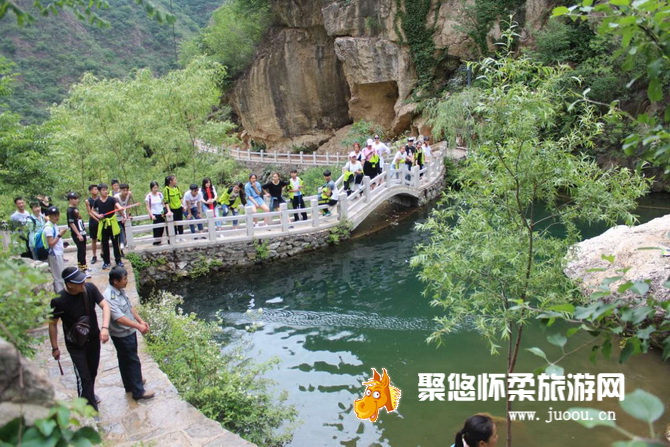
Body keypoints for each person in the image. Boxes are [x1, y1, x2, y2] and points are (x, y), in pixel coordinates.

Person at [49, 267, 111, 411]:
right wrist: (55, 347)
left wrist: (105, 328)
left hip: (93, 339)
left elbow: (105, 306)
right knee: (84, 377)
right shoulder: (59, 301)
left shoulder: (89, 289)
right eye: (79, 282)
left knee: (92, 371)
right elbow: (52, 324)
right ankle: (90, 409)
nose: (83, 283)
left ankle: (88, 395)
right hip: (76, 344)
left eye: (83, 280)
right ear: (69, 284)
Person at [104, 266, 155, 400]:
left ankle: (131, 383)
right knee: (132, 360)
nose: (127, 281)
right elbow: (120, 318)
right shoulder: (110, 297)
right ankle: (138, 391)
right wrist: (138, 326)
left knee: (125, 359)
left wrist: (141, 321)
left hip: (128, 332)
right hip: (122, 334)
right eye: (125, 279)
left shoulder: (120, 290)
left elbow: (130, 307)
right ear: (115, 281)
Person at [93, 183, 124, 270]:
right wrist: (98, 216)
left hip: (112, 224)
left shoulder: (111, 199)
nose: (105, 191)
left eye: (106, 189)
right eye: (103, 190)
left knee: (115, 243)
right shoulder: (97, 201)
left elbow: (117, 205)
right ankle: (106, 262)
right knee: (105, 244)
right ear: (99, 191)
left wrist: (120, 208)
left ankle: (118, 260)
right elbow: (92, 211)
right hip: (103, 224)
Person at [66, 192, 88, 273]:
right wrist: (78, 234)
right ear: (71, 200)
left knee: (83, 251)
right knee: (81, 251)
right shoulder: (69, 211)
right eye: (75, 199)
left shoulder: (76, 209)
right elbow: (71, 223)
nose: (77, 200)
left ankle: (82, 267)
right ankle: (83, 269)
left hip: (82, 232)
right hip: (77, 234)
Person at [114, 184, 134, 250]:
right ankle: (121, 243)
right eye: (124, 190)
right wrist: (124, 216)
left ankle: (127, 242)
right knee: (120, 229)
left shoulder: (129, 195)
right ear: (120, 190)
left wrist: (127, 216)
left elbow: (128, 205)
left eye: (126, 190)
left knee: (126, 228)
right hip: (116, 214)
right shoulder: (116, 197)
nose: (125, 192)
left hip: (124, 213)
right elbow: (118, 208)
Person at [145, 181, 165, 245]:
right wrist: (151, 215)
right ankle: (156, 241)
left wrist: (163, 212)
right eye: (154, 188)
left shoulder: (160, 194)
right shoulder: (149, 196)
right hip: (154, 213)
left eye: (156, 187)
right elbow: (147, 206)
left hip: (161, 213)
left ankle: (159, 241)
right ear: (151, 188)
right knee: (156, 228)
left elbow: (162, 204)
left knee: (162, 228)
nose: (156, 189)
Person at [85, 184, 100, 265]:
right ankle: (94, 255)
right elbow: (89, 212)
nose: (96, 190)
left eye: (97, 189)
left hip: (101, 220)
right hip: (93, 222)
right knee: (94, 239)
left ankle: (103, 253)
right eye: (95, 189)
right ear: (91, 191)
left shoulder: (100, 199)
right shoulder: (88, 201)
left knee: (103, 238)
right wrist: (97, 219)